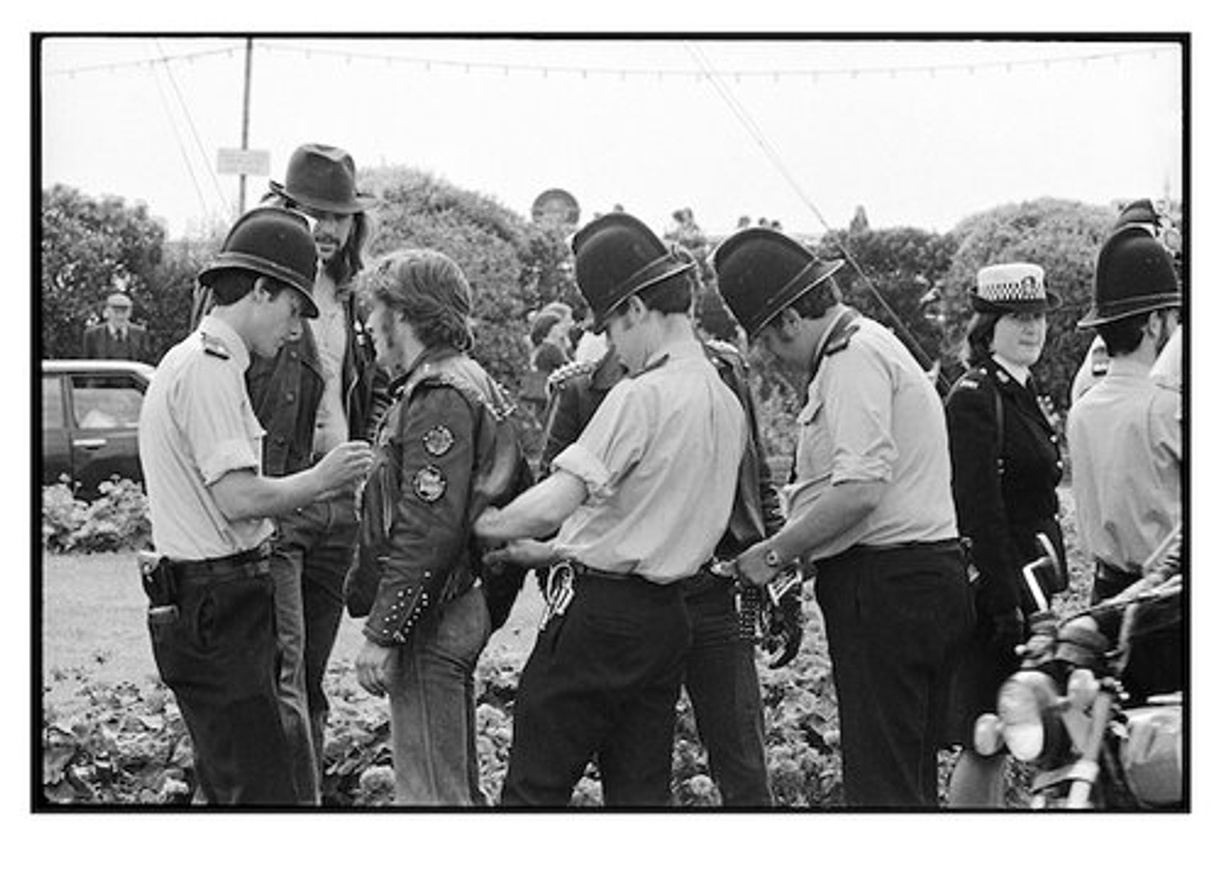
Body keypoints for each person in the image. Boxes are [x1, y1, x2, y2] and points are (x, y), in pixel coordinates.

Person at [474, 212, 746, 806]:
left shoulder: (640, 394)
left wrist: (489, 524)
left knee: (533, 789)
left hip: (596, 620)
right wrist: (545, 551)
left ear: (637, 310)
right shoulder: (725, 400)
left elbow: (558, 498)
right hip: (667, 619)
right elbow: (649, 516)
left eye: (613, 328)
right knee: (640, 793)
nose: (612, 346)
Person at [712, 227, 972, 808]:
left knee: (883, 789)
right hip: (910, 578)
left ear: (785, 320)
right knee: (905, 776)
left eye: (769, 342)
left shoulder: (851, 360)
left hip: (886, 587)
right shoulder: (864, 347)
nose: (774, 358)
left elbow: (860, 490)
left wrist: (774, 553)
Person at [136, 206, 373, 804]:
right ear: (262, 290)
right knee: (258, 796)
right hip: (217, 600)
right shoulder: (211, 370)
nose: (295, 331)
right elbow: (239, 498)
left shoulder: (198, 362)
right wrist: (323, 478)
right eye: (294, 310)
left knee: (238, 784)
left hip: (212, 600)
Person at [506, 319, 796, 807]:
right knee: (624, 775)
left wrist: (781, 578)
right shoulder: (581, 386)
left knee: (742, 760)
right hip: (620, 596)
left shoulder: (724, 373)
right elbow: (551, 505)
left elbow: (757, 479)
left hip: (718, 587)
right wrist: (568, 589)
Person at [192, 144, 387, 802]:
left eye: (340, 217)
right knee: (277, 682)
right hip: (278, 499)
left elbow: (364, 389)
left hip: (336, 504)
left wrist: (360, 462)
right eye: (314, 213)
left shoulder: (354, 298)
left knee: (306, 683)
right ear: (284, 208)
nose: (329, 229)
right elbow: (212, 381)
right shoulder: (258, 282)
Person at [344, 248, 532, 805]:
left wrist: (384, 632)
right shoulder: (464, 380)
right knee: (447, 789)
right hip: (455, 602)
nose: (368, 327)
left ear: (401, 313)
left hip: (436, 614)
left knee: (431, 797)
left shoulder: (440, 394)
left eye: (373, 311)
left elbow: (429, 529)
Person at [941, 262, 1068, 807]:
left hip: (1032, 586)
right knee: (986, 733)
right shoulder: (976, 395)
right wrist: (1002, 604)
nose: (1032, 328)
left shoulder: (1022, 389)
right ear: (988, 325)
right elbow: (978, 509)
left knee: (1012, 730)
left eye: (1038, 316)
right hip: (1001, 594)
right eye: (1018, 317)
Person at [1068, 226, 1182, 603]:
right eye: (1172, 316)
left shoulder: (1082, 408)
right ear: (1153, 323)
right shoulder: (1169, 406)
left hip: (1104, 591)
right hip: (1163, 599)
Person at [82, 292, 151, 362]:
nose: (120, 316)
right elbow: (87, 365)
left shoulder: (140, 334)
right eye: (116, 312)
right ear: (107, 312)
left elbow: (145, 363)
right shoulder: (92, 335)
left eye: (124, 312)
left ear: (130, 313)